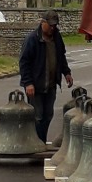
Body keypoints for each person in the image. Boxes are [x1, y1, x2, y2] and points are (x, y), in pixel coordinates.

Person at [19, 9, 74, 142]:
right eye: (50, 25)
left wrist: (66, 72)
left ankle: (40, 142)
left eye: (55, 25)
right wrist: (28, 83)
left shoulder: (57, 37)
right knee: (37, 117)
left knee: (48, 115)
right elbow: (24, 62)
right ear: (42, 22)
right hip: (36, 86)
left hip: (50, 85)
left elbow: (61, 56)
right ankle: (37, 143)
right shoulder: (32, 39)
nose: (52, 28)